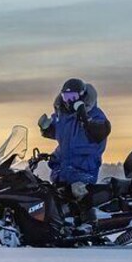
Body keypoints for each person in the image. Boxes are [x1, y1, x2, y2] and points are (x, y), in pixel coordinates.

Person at [38, 78, 111, 223]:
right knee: (50, 194)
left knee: (79, 191)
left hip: (84, 168)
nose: (69, 101)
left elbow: (101, 130)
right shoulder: (62, 116)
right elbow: (59, 133)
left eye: (73, 97)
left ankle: (89, 223)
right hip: (63, 168)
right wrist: (45, 127)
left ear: (82, 96)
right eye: (66, 97)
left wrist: (84, 118)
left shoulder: (95, 114)